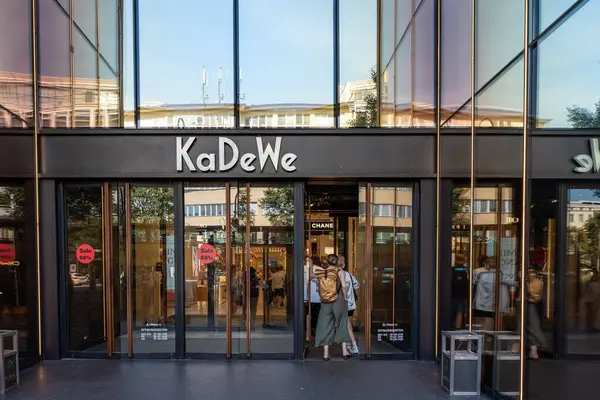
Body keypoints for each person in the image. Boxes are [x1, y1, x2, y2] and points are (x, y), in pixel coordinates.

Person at [313, 254, 352, 360]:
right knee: (342, 323)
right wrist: (345, 298)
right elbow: (343, 286)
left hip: (325, 302)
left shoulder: (322, 272)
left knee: (325, 325)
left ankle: (326, 354)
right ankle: (344, 352)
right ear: (337, 261)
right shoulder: (340, 272)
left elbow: (312, 271)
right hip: (338, 299)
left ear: (328, 262)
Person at [517, 263, 547, 359]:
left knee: (524, 326)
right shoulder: (539, 277)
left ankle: (527, 349)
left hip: (525, 301)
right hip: (534, 302)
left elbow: (526, 287)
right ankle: (533, 350)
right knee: (531, 326)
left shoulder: (526, 275)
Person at [339, 255, 360, 354]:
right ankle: (348, 344)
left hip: (342, 303)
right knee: (348, 324)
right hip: (351, 304)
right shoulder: (349, 274)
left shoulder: (337, 274)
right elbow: (357, 285)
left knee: (345, 325)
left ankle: (353, 345)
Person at [304, 256, 321, 337]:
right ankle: (314, 330)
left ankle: (310, 331)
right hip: (319, 297)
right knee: (316, 315)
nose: (308, 262)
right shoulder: (321, 269)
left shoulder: (311, 269)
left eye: (309, 260)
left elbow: (308, 280)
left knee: (309, 315)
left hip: (311, 297)